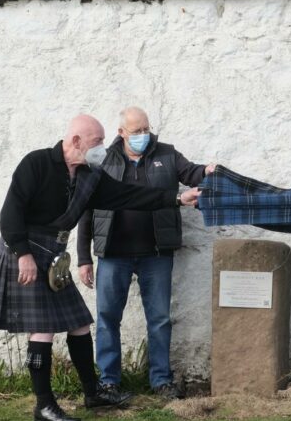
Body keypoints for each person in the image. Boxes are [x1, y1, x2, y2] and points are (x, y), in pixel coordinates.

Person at [0, 114, 201, 421]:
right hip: (25, 251)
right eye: (96, 142)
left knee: (79, 323)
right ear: (77, 141)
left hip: (52, 255)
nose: (101, 148)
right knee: (43, 329)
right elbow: (11, 210)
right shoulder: (36, 163)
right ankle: (44, 405)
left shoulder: (87, 175)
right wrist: (22, 254)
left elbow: (127, 195)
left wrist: (176, 198)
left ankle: (93, 393)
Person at [77, 107, 215, 399]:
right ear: (121, 133)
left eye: (146, 129)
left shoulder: (166, 154)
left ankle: (161, 380)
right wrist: (84, 258)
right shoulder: (103, 159)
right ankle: (109, 380)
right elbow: (86, 209)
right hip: (113, 253)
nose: (143, 135)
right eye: (136, 131)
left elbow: (191, 172)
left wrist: (207, 171)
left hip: (156, 252)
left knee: (160, 318)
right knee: (107, 317)